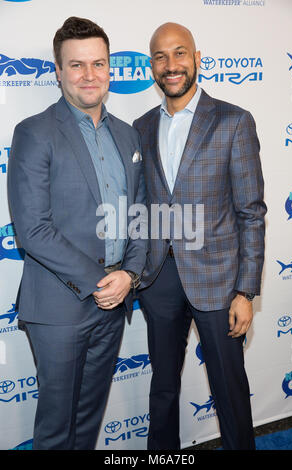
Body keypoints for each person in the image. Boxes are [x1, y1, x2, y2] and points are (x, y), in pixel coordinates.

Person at [8, 16, 147, 450]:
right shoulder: (34, 132)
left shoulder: (127, 136)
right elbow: (32, 229)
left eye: (98, 63)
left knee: (88, 419)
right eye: (77, 65)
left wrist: (130, 275)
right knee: (55, 428)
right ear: (58, 71)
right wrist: (100, 280)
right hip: (58, 305)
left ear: (110, 68)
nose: (90, 75)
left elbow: (140, 216)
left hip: (114, 300)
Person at [133, 22, 267, 450]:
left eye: (179, 53)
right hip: (160, 281)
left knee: (229, 389)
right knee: (163, 391)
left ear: (197, 59)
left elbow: (251, 213)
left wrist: (246, 290)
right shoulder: (139, 127)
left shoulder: (233, 121)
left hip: (219, 283)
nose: (170, 65)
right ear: (150, 66)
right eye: (160, 56)